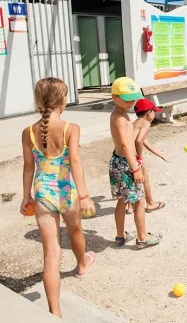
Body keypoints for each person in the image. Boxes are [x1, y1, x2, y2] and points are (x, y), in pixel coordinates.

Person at [20, 77, 96, 318]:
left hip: (42, 194)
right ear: (62, 100)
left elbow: (28, 168)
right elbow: (75, 162)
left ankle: (55, 312)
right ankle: (82, 264)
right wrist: (84, 195)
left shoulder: (27, 132)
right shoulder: (70, 129)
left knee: (51, 253)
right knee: (75, 232)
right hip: (67, 192)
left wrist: (26, 196)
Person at [109, 77, 163, 248]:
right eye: (126, 98)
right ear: (114, 98)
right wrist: (135, 168)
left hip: (119, 161)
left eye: (132, 98)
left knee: (122, 200)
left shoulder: (121, 114)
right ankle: (142, 237)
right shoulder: (119, 118)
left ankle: (120, 236)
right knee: (139, 201)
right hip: (126, 164)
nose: (130, 102)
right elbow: (125, 144)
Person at [125, 98, 169, 215]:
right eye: (154, 111)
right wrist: (139, 159)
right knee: (144, 178)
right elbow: (139, 141)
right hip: (133, 157)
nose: (154, 114)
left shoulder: (135, 123)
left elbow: (144, 141)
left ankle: (130, 207)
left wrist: (160, 154)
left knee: (131, 180)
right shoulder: (146, 123)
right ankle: (150, 203)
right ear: (149, 112)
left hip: (125, 156)